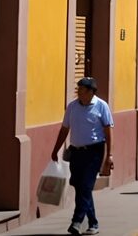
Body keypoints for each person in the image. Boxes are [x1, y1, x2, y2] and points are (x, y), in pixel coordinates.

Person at [51, 76, 113, 236]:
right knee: (80, 187)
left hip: (94, 151)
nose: (79, 93)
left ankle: (76, 221)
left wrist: (109, 156)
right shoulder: (72, 107)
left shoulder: (101, 106)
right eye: (78, 89)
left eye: (83, 90)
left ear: (92, 92)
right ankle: (93, 223)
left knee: (85, 186)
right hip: (76, 152)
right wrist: (55, 149)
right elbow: (64, 129)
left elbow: (108, 131)